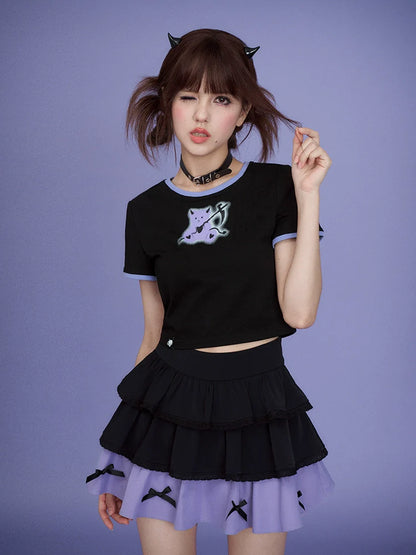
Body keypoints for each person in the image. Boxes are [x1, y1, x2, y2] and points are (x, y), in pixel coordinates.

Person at [85, 28, 335, 555]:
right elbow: (153, 336)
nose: (201, 115)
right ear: (167, 104)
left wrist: (308, 195)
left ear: (242, 113)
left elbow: (299, 313)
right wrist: (120, 464)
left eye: (221, 99)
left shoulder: (277, 189)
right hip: (169, 407)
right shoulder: (145, 211)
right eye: (187, 96)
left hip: (257, 403)